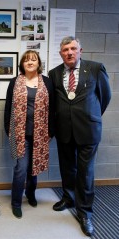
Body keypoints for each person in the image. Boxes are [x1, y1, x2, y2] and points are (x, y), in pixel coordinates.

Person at [48, 36, 111, 236]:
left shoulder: (95, 68)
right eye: (65, 49)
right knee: (67, 168)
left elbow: (105, 96)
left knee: (85, 172)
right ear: (60, 54)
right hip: (64, 130)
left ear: (80, 50)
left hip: (88, 129)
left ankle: (84, 212)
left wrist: (90, 116)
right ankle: (68, 198)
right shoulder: (54, 73)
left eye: (73, 48)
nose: (69, 52)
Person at [4, 50, 55, 218]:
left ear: (39, 63)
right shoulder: (15, 82)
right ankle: (16, 202)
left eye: (34, 59)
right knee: (21, 169)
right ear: (22, 64)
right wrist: (9, 130)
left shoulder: (47, 82)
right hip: (20, 135)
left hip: (40, 134)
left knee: (34, 169)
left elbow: (53, 109)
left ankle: (31, 194)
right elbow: (8, 108)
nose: (30, 62)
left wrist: (51, 132)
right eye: (26, 60)